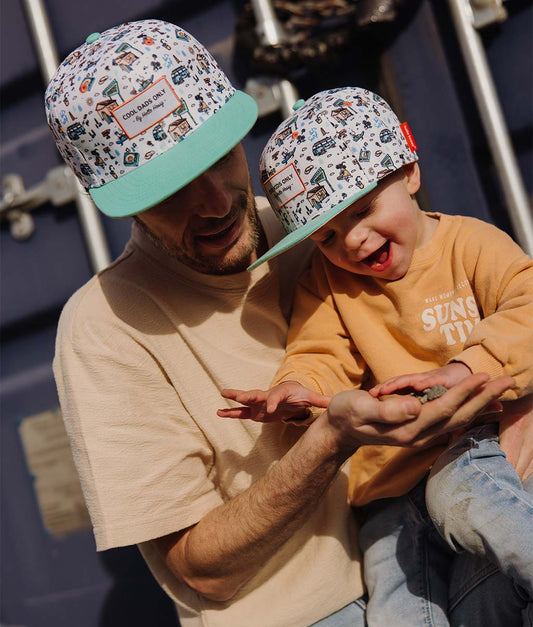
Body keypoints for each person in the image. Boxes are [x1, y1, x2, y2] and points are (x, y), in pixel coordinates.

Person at [46, 20, 525, 627]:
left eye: (218, 156)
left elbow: (507, 307)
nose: (216, 202)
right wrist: (330, 439)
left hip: (454, 527)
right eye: (169, 189)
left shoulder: (326, 220)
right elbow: (198, 572)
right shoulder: (104, 329)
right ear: (111, 198)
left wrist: (517, 402)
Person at [218, 87, 533, 625]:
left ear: (409, 172)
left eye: (364, 210)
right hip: (387, 496)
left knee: (478, 521)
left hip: (467, 448)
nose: (354, 241)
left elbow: (527, 308)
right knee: (396, 611)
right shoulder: (329, 284)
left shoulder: (469, 244)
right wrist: (296, 388)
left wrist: (464, 369)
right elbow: (319, 351)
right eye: (328, 236)